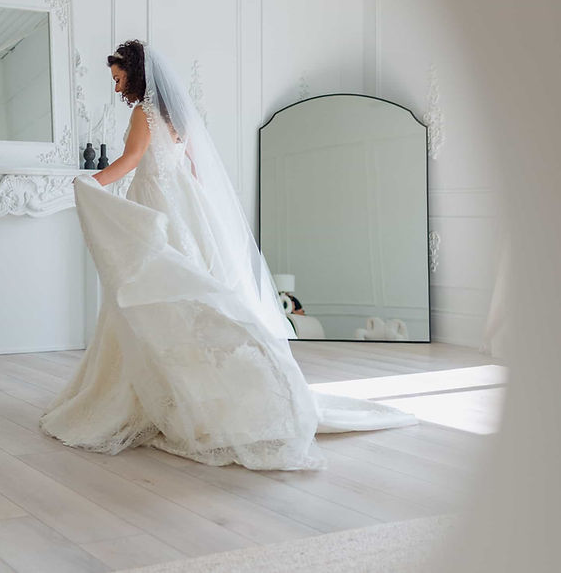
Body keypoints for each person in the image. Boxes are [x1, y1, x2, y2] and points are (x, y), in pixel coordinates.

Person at [38, 40, 415, 470]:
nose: (116, 83)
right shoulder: (175, 114)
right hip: (180, 201)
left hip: (157, 200)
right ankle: (199, 384)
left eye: (118, 76)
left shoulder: (143, 112)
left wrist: (92, 183)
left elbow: (133, 158)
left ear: (136, 74)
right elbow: (194, 167)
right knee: (184, 288)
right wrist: (195, 207)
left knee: (154, 287)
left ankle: (161, 389)